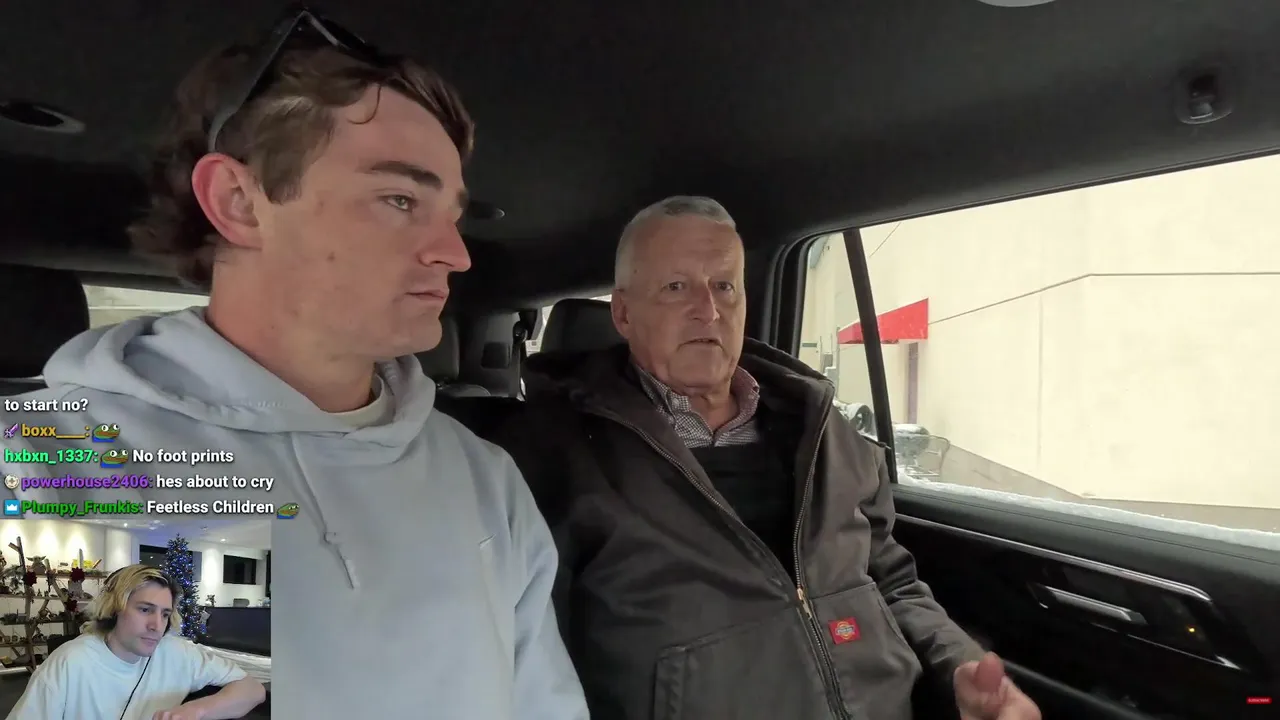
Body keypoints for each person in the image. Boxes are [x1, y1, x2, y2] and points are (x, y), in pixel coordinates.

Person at [0, 7, 586, 719]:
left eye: (453, 216)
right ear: (239, 202)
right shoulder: (39, 466)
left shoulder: (484, 479)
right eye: (400, 199)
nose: (455, 254)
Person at [488, 196, 1042, 720]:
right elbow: (528, 659)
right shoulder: (552, 457)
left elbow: (892, 583)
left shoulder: (820, 428)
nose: (708, 310)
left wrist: (957, 666)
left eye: (724, 286)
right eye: (676, 287)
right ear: (624, 314)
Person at [8, 565, 265, 719]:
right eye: (145, 610)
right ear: (114, 610)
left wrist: (196, 710)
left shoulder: (178, 653)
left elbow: (253, 690)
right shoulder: (69, 662)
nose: (157, 625)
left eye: (165, 614)